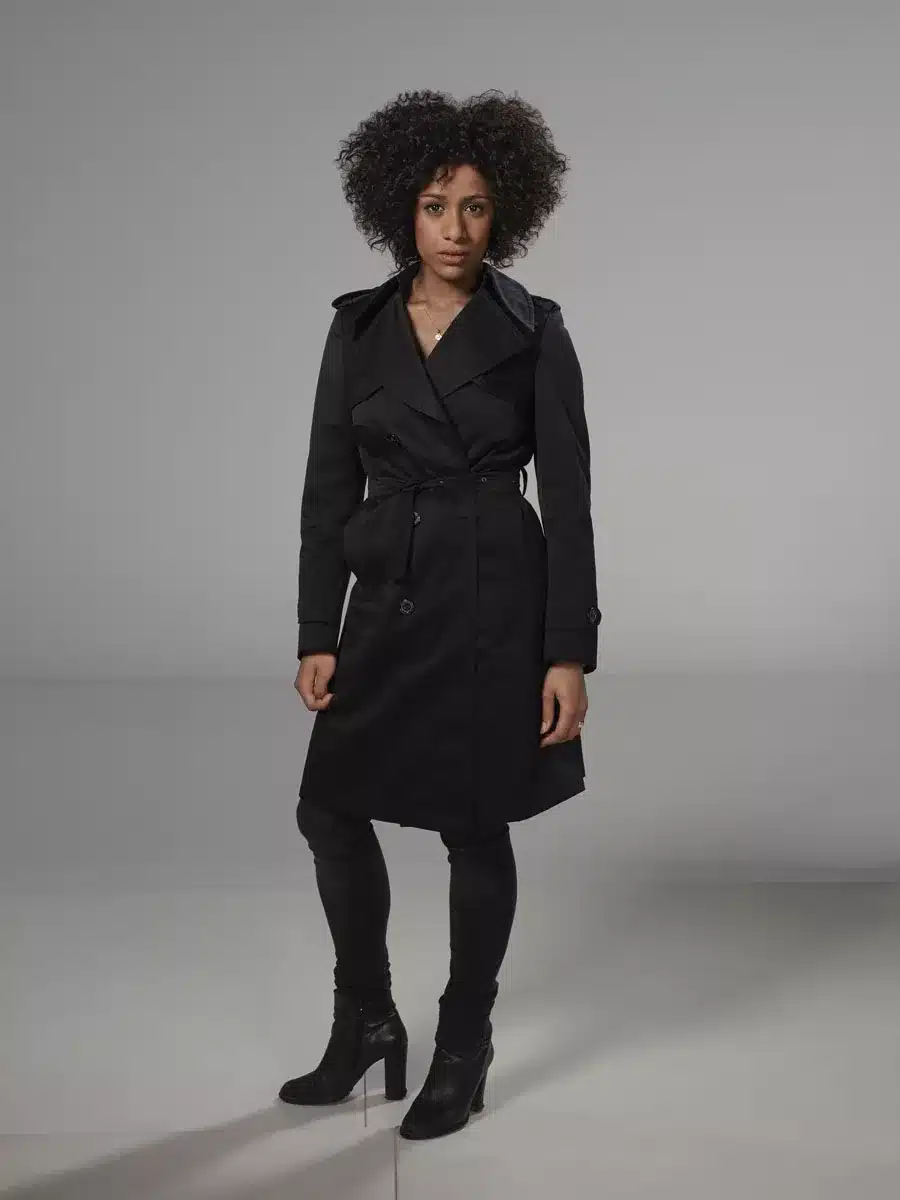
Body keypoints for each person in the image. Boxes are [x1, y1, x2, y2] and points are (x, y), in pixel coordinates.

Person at [279, 89, 600, 1141]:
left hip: (493, 602)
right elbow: (328, 488)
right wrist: (317, 630)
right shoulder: (358, 328)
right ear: (399, 211)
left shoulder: (534, 331)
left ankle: (465, 1042)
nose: (455, 229)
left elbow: (570, 502)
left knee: (473, 823)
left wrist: (568, 652)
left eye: (475, 206)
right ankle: (366, 1017)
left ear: (506, 212)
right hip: (386, 597)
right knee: (328, 809)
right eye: (433, 205)